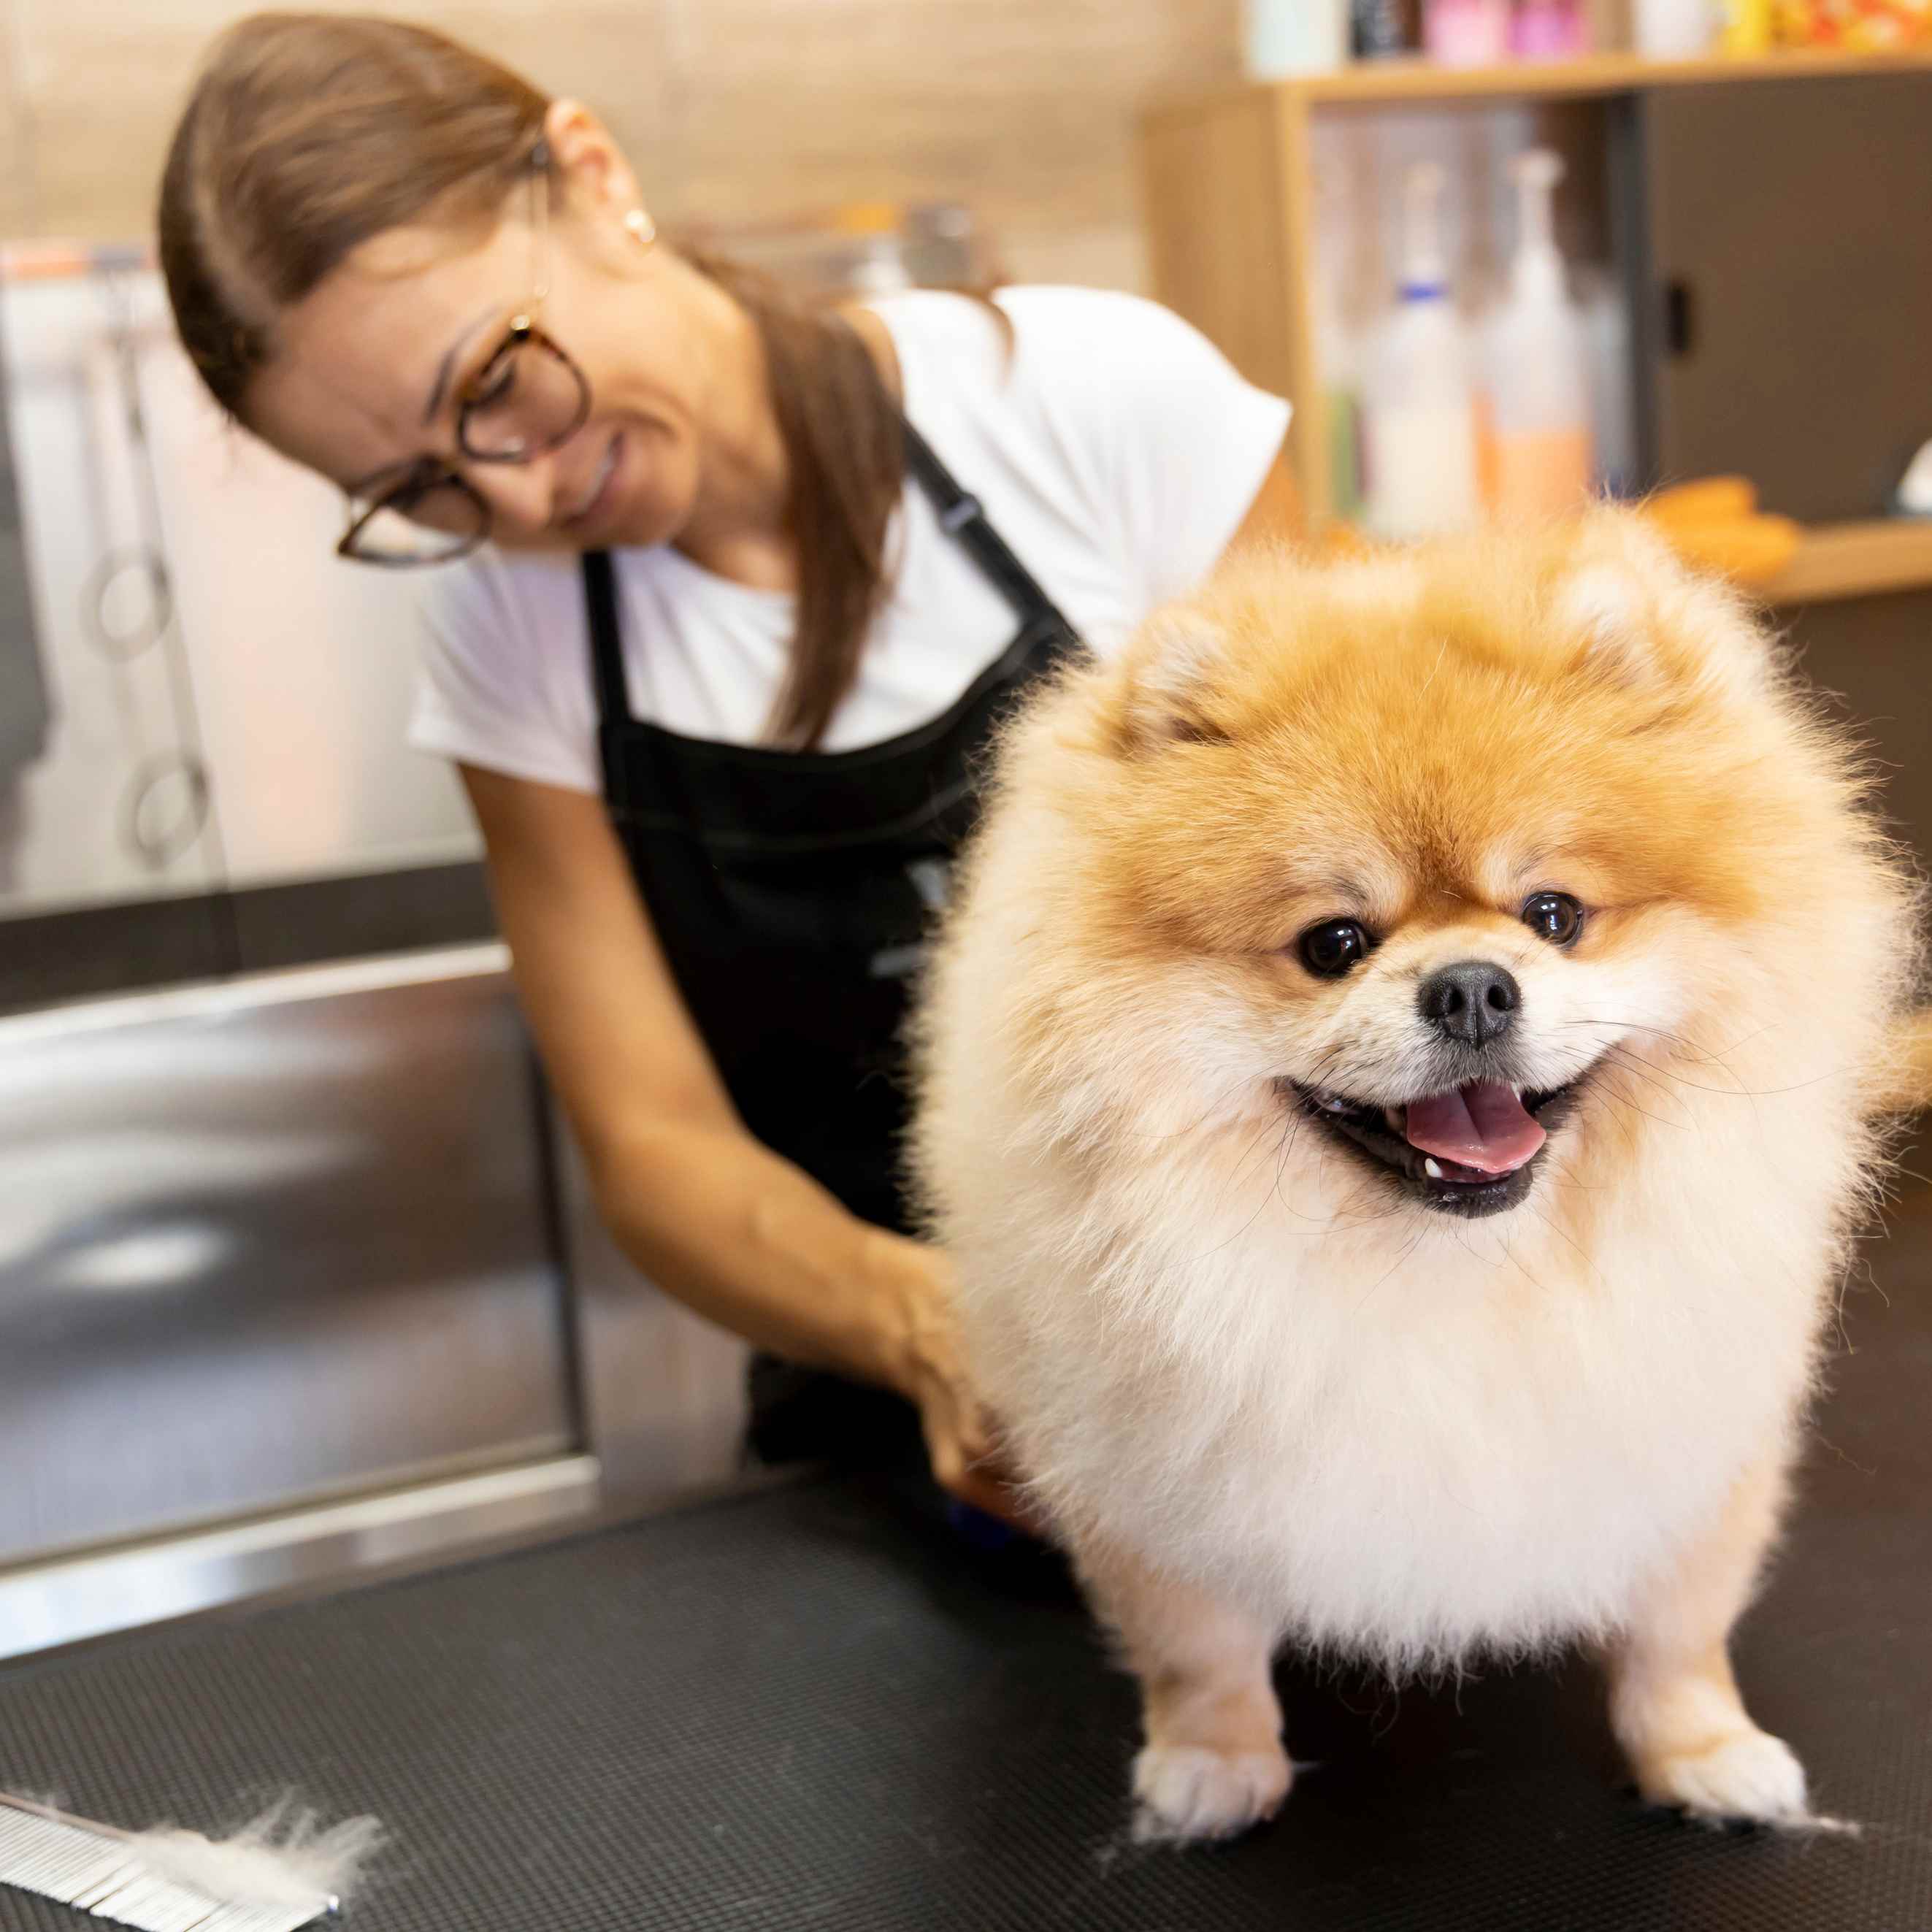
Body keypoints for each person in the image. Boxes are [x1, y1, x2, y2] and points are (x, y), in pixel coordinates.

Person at [156, 12, 1299, 1525]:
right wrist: (937, 1331)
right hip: (892, 1435)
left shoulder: (1094, 410)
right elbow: (655, 1143)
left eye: (494, 382)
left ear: (590, 173)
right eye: (421, 488)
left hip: (1279, 1369)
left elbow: (1360, 913)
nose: (522, 490)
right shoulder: (518, 641)